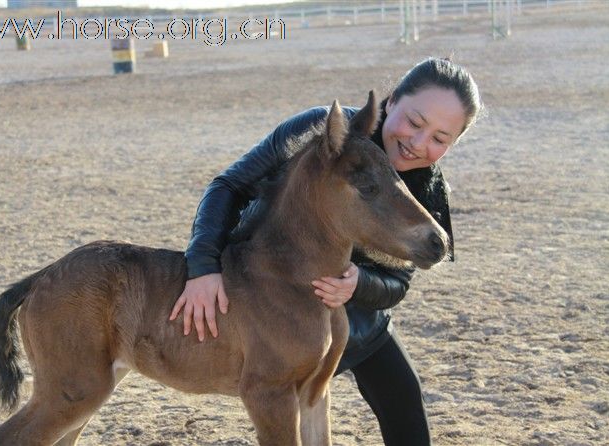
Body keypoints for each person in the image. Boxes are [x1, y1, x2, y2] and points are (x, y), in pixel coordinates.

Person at [169, 57, 482, 445]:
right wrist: (202, 266)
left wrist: (360, 283)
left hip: (355, 320)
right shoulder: (320, 131)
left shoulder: (425, 187)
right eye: (415, 123)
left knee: (404, 402)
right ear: (392, 100)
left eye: (440, 139)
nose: (418, 144)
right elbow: (228, 186)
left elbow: (399, 281)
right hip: (271, 297)